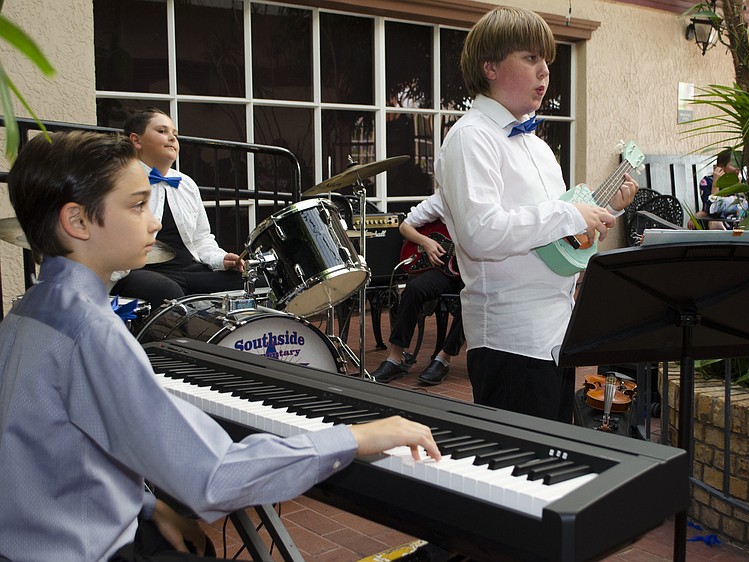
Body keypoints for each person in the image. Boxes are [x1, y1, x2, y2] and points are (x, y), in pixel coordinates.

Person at [0, 130, 440, 562]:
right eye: (138, 206)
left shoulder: (27, 313)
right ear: (77, 221)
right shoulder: (91, 331)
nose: (154, 221)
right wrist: (356, 436)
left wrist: (151, 507)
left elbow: (57, 461)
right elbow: (214, 475)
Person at [433, 7, 638, 421]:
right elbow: (480, 233)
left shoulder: (539, 147)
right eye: (530, 58)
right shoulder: (471, 138)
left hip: (555, 336)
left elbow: (556, 240)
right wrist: (569, 215)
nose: (544, 72)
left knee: (551, 473)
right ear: (489, 66)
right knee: (517, 476)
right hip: (510, 343)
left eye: (547, 61)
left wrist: (598, 212)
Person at [110, 108, 245, 309]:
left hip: (188, 269)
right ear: (136, 141)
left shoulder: (187, 184)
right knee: (166, 291)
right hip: (138, 271)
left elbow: (201, 238)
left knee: (252, 281)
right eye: (162, 131)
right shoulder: (119, 181)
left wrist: (221, 258)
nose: (172, 138)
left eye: (175, 134)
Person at [371, 192, 465, 386]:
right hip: (447, 269)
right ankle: (395, 359)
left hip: (475, 272)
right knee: (414, 288)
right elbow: (405, 226)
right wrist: (427, 242)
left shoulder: (489, 200)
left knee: (475, 298)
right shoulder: (443, 198)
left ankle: (443, 359)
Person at [690, 149, 741, 230]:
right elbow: (713, 212)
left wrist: (702, 213)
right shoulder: (706, 182)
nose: (738, 168)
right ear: (721, 166)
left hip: (737, 224)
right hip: (715, 222)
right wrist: (716, 184)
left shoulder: (741, 184)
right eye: (734, 165)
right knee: (715, 224)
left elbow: (742, 211)